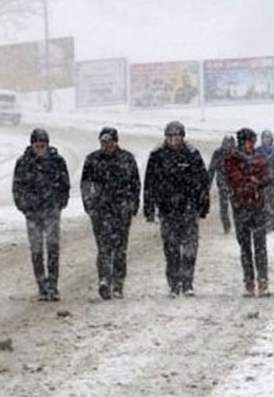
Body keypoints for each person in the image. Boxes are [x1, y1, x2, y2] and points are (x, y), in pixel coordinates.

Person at [143, 120, 209, 297]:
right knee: (171, 248)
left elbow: (203, 181)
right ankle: (173, 283)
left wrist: (202, 205)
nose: (173, 140)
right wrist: (148, 207)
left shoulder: (192, 154)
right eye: (170, 136)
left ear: (182, 137)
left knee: (189, 249)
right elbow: (149, 183)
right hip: (167, 209)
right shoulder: (157, 155)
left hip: (189, 208)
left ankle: (187, 283)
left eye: (177, 136)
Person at [80, 127, 141, 300]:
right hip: (100, 210)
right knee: (104, 248)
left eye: (110, 142)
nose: (107, 146)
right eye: (103, 142)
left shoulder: (127, 159)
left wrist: (133, 204)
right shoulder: (92, 160)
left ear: (116, 142)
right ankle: (104, 280)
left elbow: (135, 183)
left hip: (121, 210)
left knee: (120, 249)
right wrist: (89, 204)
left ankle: (118, 284)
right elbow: (85, 184)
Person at [12, 128, 70, 301]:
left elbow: (64, 184)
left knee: (53, 247)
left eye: (43, 146)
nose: (40, 149)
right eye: (37, 146)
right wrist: (24, 206)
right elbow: (17, 187)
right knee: (36, 249)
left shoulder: (57, 162)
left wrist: (60, 203)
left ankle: (53, 284)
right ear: (32, 145)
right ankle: (41, 285)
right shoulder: (23, 163)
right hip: (32, 213)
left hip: (51, 210)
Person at [224, 128, 271, 297]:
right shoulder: (232, 159)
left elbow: (267, 176)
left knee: (260, 246)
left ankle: (263, 279)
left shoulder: (259, 158)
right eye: (247, 142)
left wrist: (252, 181)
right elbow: (234, 179)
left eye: (252, 142)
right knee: (245, 247)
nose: (250, 145)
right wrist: (252, 180)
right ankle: (249, 280)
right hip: (241, 207)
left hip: (257, 206)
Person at [208, 135, 236, 233]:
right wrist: (207, 186)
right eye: (226, 143)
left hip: (235, 184)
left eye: (229, 143)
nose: (227, 146)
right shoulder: (218, 153)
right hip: (222, 183)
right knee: (223, 207)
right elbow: (212, 169)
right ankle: (226, 226)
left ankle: (239, 225)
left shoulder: (237, 153)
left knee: (237, 206)